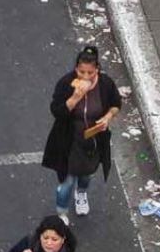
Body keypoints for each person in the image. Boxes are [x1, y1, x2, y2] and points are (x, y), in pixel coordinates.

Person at [42, 45, 121, 218]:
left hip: (93, 140)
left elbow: (116, 104)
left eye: (90, 73)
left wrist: (108, 117)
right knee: (67, 182)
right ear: (76, 69)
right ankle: (62, 213)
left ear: (97, 70)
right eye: (81, 72)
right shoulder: (65, 84)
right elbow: (57, 111)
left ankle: (82, 193)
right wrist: (75, 97)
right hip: (69, 141)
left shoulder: (106, 84)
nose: (85, 76)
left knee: (87, 175)